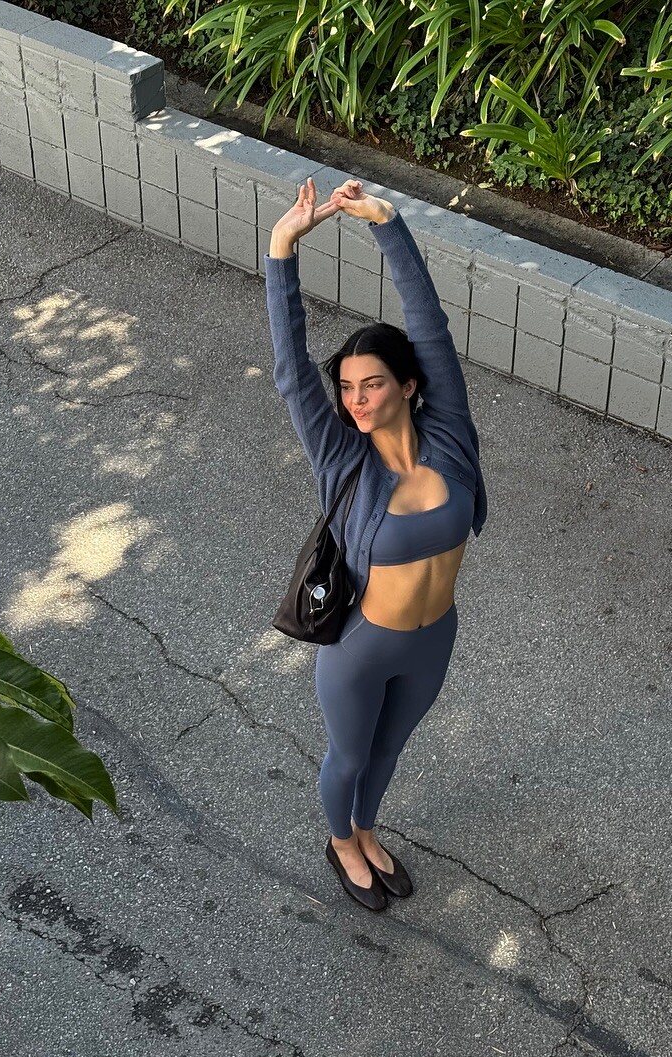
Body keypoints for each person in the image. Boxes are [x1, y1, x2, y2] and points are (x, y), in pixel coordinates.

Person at [265, 177, 488, 911]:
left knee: (388, 753)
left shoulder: (449, 438)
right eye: (348, 387)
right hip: (363, 647)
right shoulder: (343, 460)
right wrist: (282, 249)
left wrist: (387, 223)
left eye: (373, 384)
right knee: (350, 755)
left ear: (410, 387)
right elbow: (292, 373)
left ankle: (366, 828)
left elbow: (430, 326)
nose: (356, 400)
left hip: (434, 639)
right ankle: (342, 843)